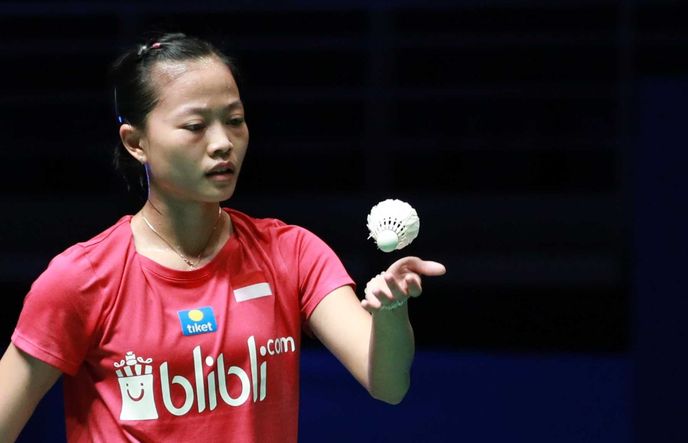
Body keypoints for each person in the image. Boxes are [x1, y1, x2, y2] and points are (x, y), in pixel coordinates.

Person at [0, 33, 446, 442]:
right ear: (136, 143)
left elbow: (388, 384)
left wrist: (391, 312)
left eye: (234, 120)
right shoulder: (81, 279)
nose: (222, 143)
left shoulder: (290, 252)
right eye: (195, 126)